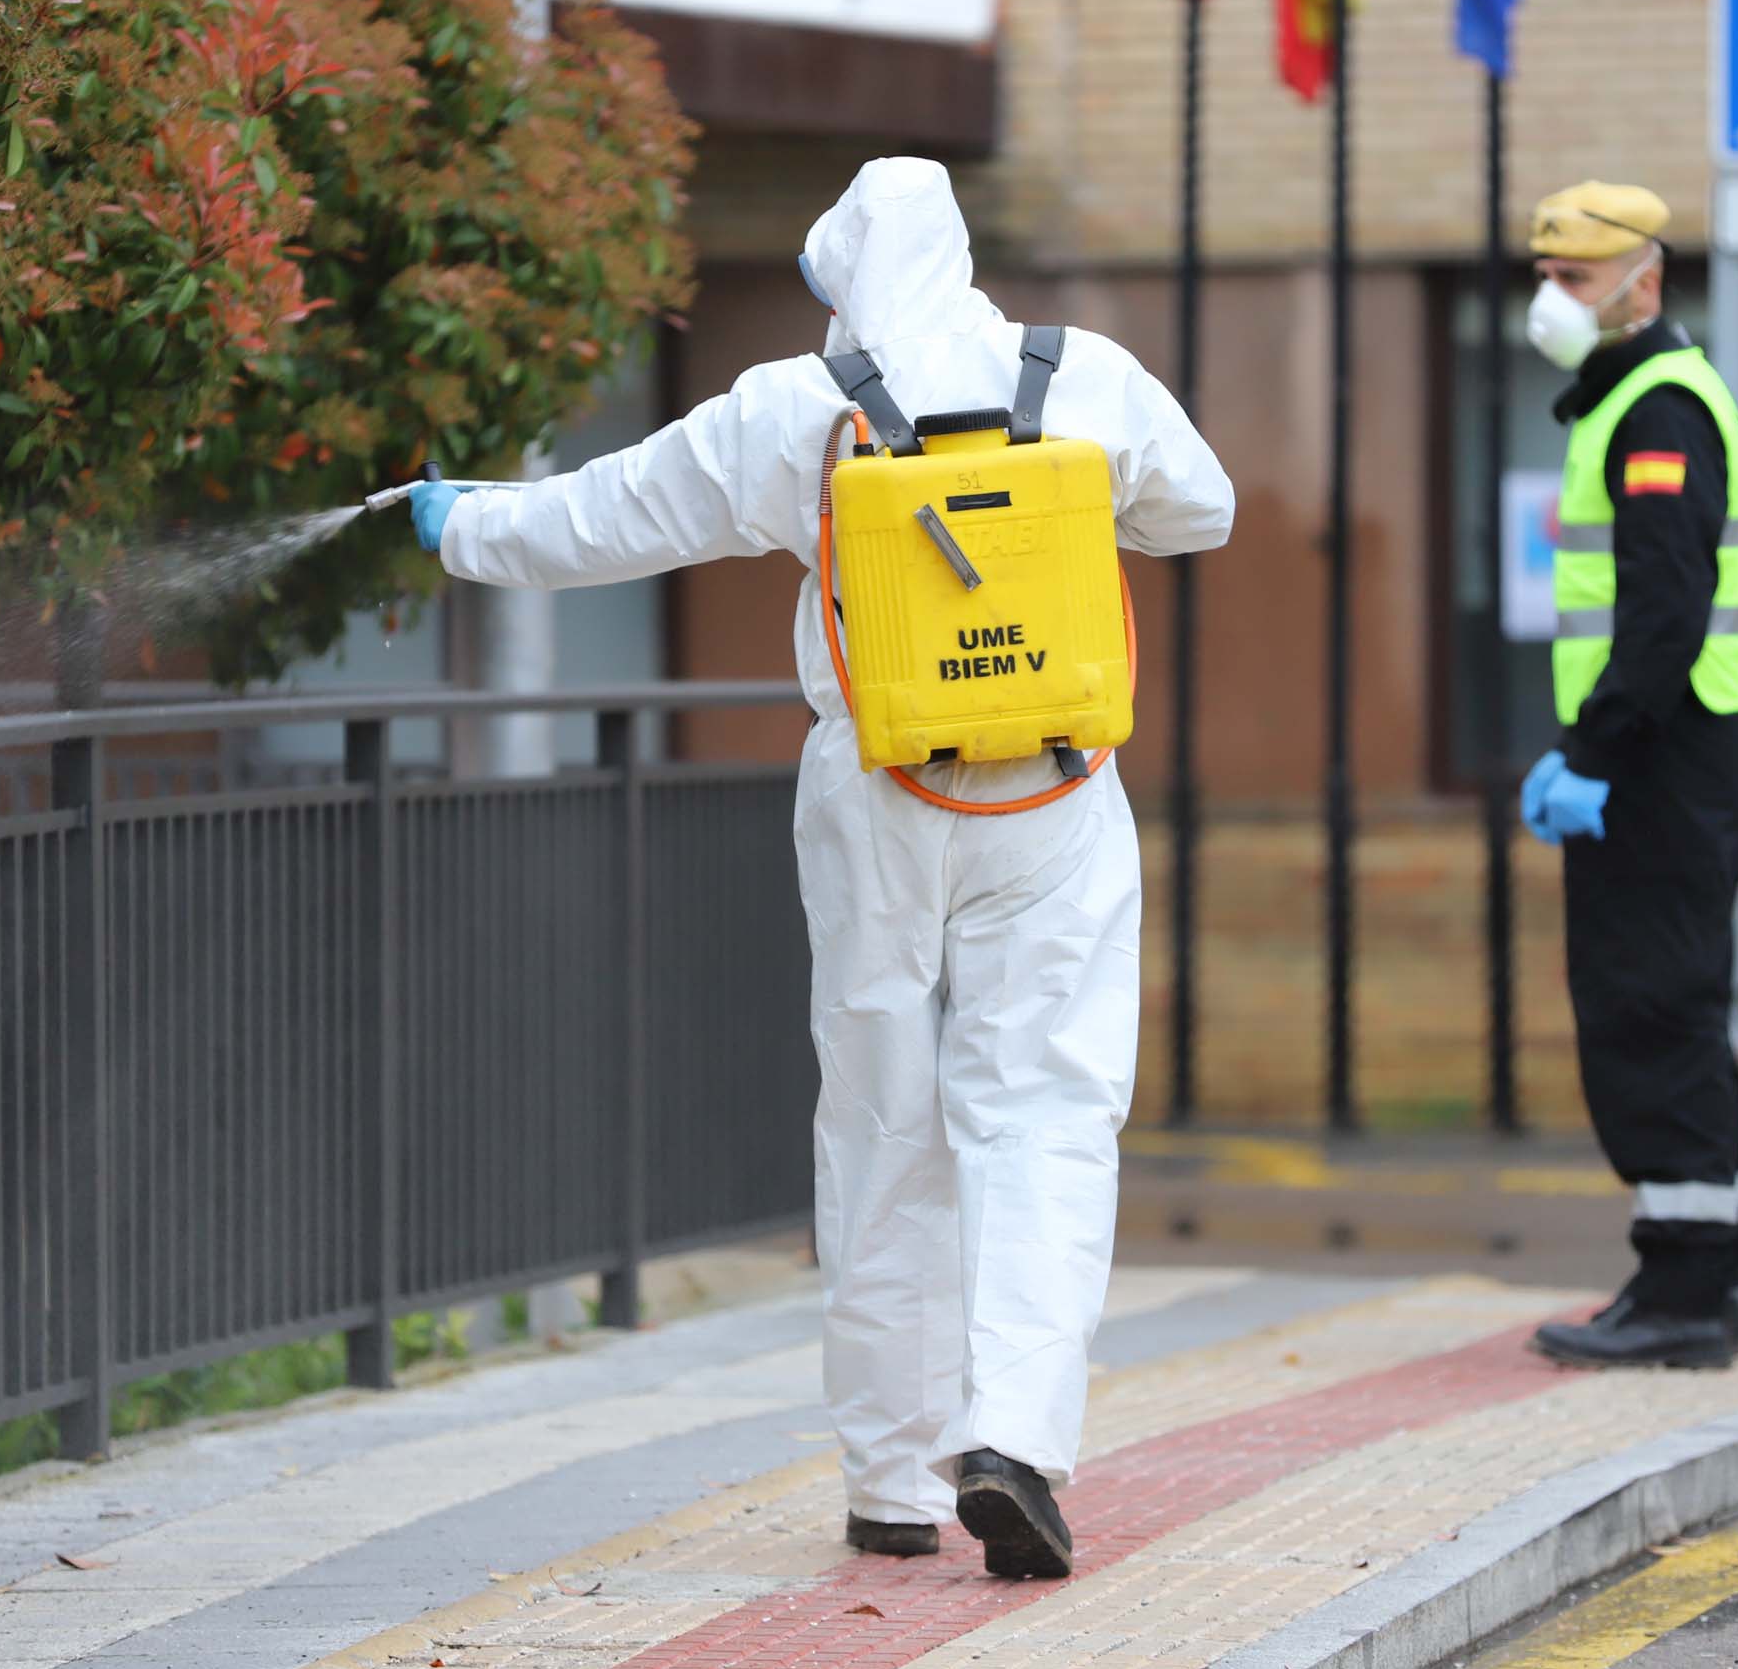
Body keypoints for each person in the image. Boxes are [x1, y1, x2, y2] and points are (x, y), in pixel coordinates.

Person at [415, 157, 1235, 1574]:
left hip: (874, 790)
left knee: (879, 1124)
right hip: (1054, 795)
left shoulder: (799, 408)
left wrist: (463, 522)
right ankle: (1018, 1446)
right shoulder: (1083, 375)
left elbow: (605, 518)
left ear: (842, 273)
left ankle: (890, 1486)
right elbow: (1204, 511)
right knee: (1041, 1120)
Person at [1513, 180, 1738, 1371]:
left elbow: (1663, 619)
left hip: (1665, 755)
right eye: (1546, 274)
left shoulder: (1660, 410)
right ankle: (1700, 1273)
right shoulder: (1626, 400)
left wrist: (1593, 753)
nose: (1550, 298)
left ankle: (1687, 1292)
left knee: (1651, 1006)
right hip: (1665, 752)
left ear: (1643, 282)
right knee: (1662, 1003)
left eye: (1574, 278)